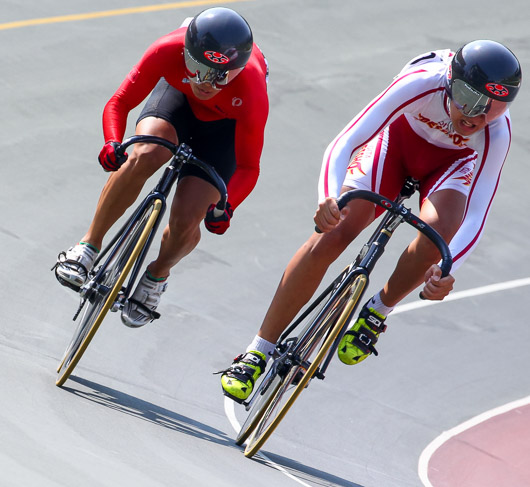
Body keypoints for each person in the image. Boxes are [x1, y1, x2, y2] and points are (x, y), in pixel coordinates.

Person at [221, 40, 521, 402]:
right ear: (450, 82)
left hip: (450, 165)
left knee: (439, 233)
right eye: (469, 101)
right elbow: (346, 140)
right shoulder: (421, 83)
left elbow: (477, 211)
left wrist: (447, 267)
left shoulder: (496, 132)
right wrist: (328, 197)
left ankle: (377, 311)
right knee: (334, 233)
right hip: (397, 142)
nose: (475, 117)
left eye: (493, 109)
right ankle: (257, 351)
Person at [53, 7, 269, 328]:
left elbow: (249, 167)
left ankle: (157, 274)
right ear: (186, 53)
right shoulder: (167, 49)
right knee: (144, 153)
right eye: (197, 67)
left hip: (223, 129)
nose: (205, 82)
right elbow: (120, 102)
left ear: (236, 70)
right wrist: (112, 142)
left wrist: (227, 206)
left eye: (219, 75)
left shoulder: (252, 88)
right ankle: (88, 245)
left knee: (188, 216)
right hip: (177, 102)